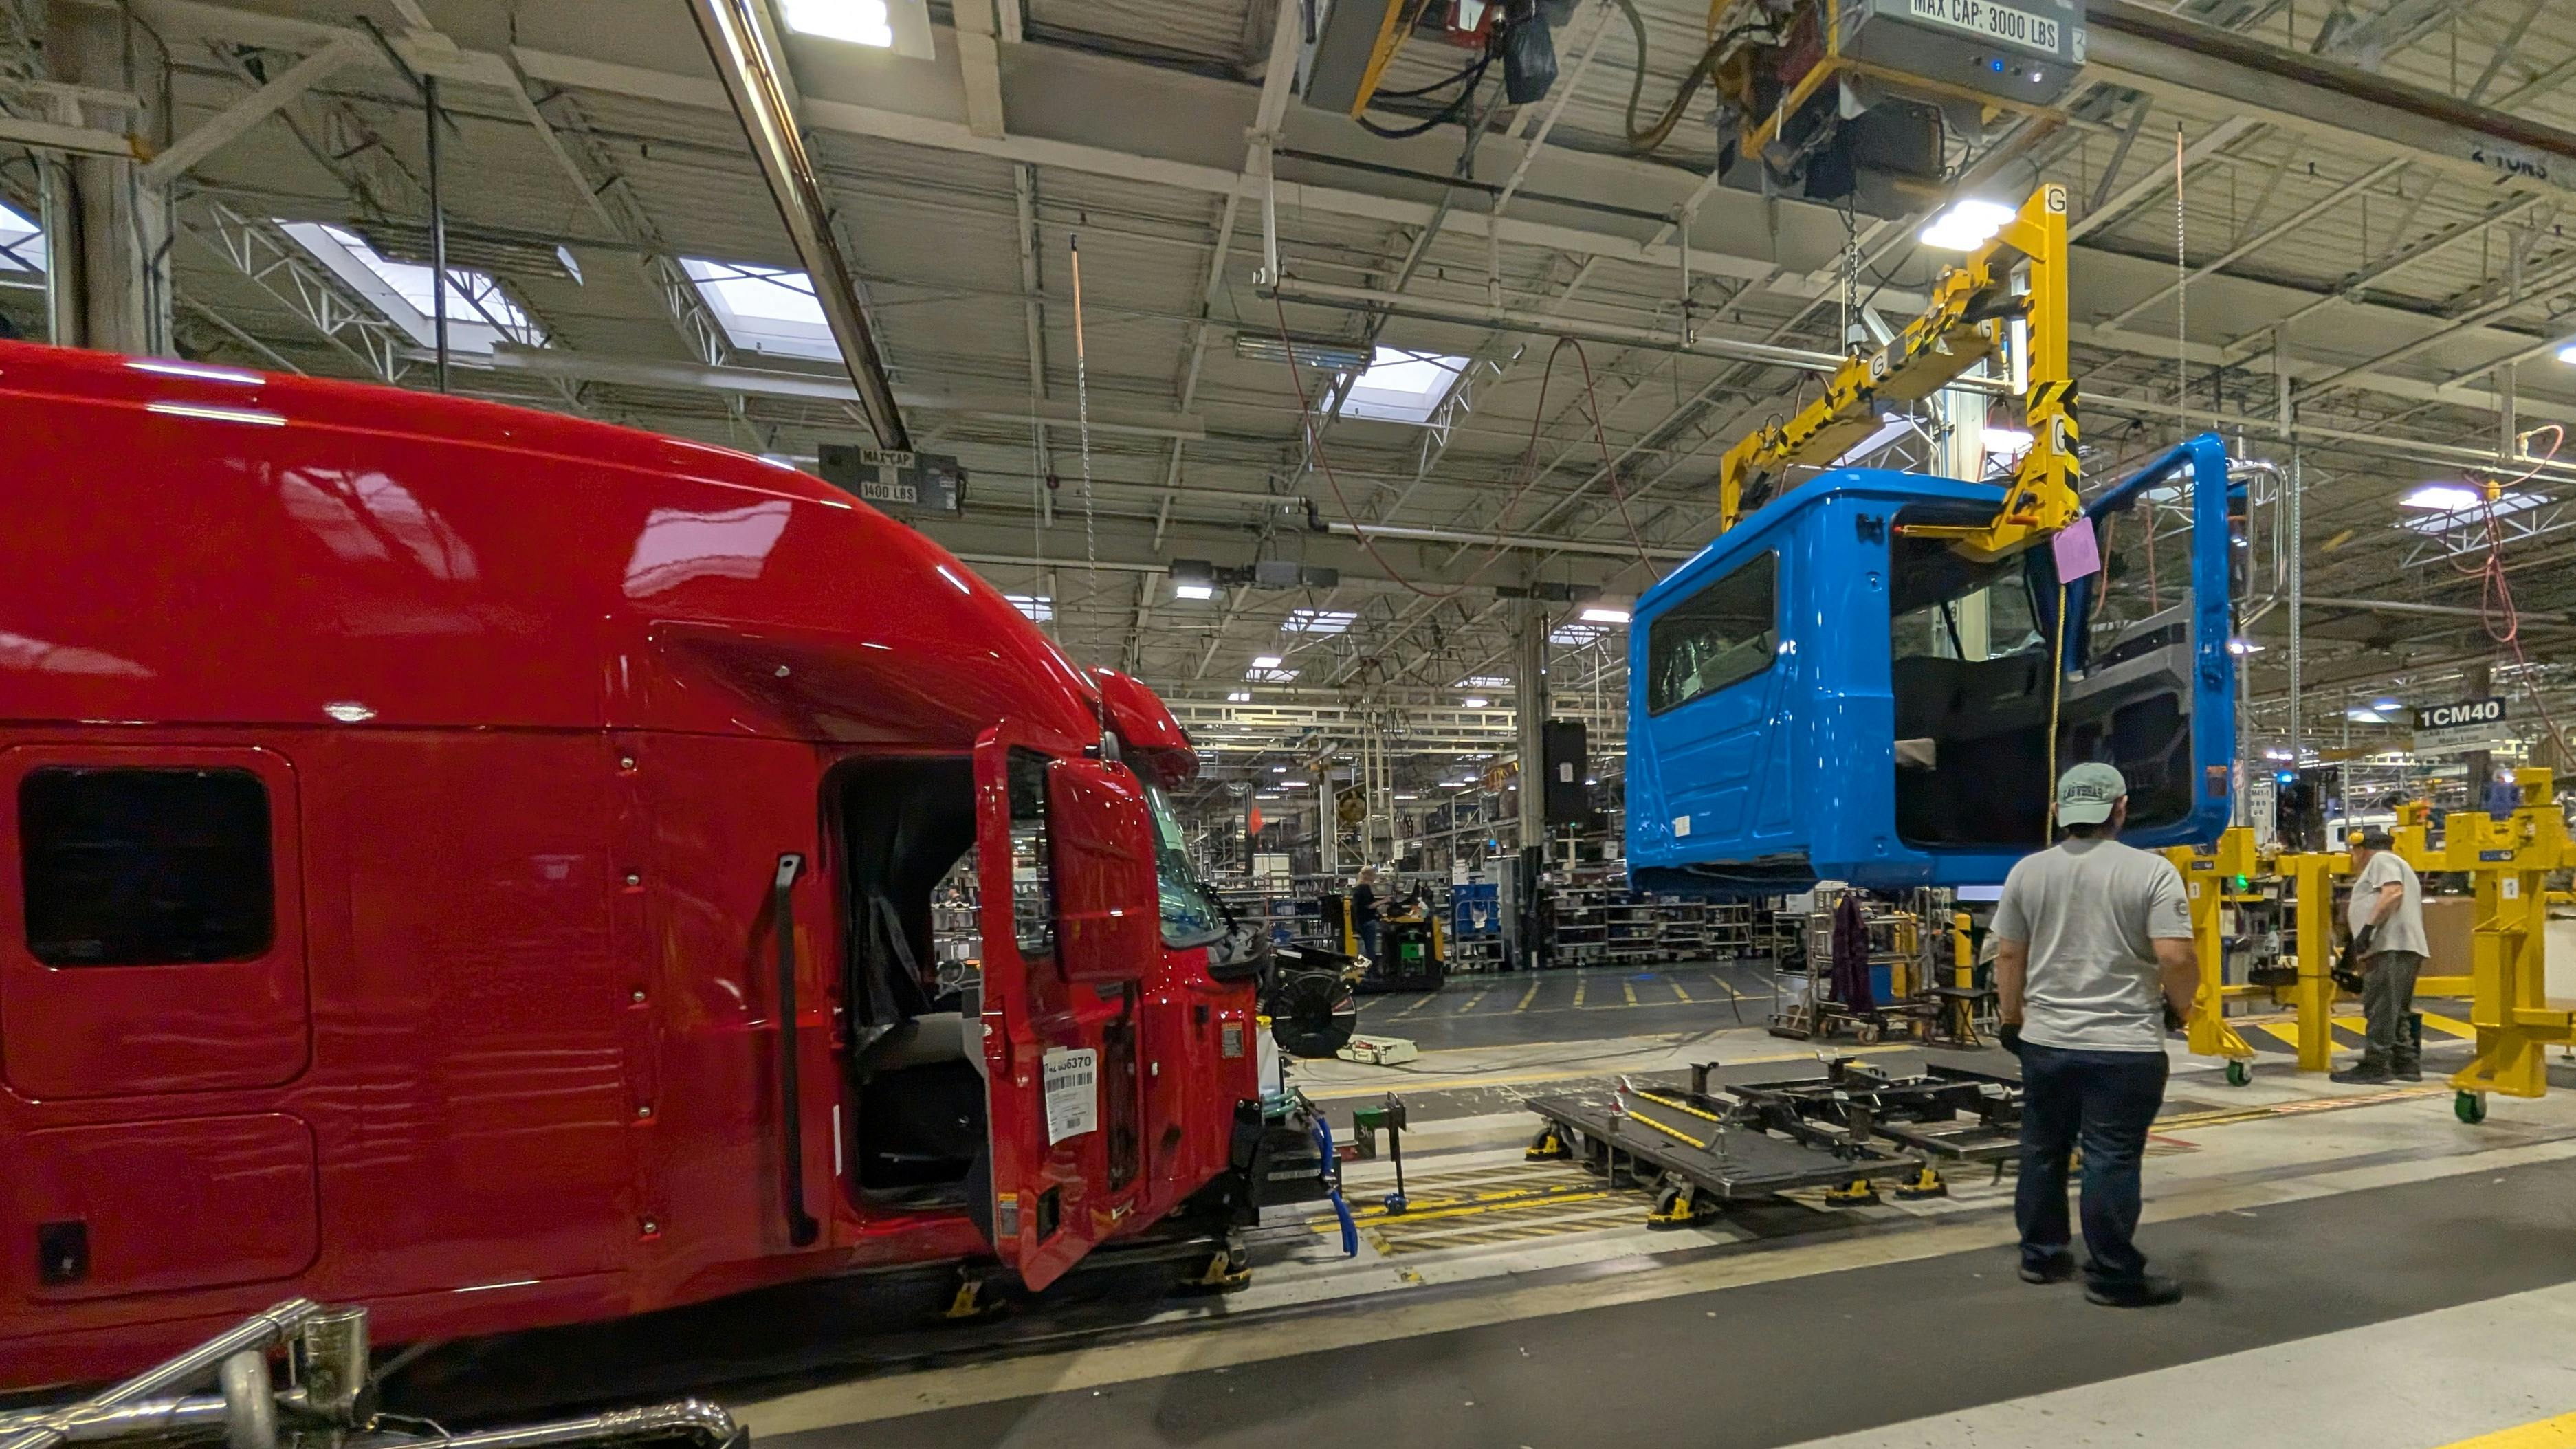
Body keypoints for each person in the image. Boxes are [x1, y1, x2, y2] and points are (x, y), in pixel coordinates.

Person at [1992, 762, 2201, 1308]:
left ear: (2059, 812)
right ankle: (2111, 1275)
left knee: (2042, 1150)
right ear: (2120, 808)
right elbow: (2176, 956)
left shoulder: (2026, 873)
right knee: (2110, 1157)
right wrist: (2182, 1009)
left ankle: (2040, 1257)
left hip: (2047, 1040)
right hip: (2123, 1045)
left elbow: (2009, 955)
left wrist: (2010, 1019)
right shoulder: (2151, 872)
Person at [2335, 826, 2428, 1084]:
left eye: (2353, 851)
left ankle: (2376, 1064)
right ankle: (2406, 1063)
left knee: (2380, 1006)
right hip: (2401, 946)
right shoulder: (2397, 862)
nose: (2352, 857)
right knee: (2396, 1008)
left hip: (2391, 946)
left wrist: (2367, 929)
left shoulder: (2381, 860)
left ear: (2361, 849)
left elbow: (2393, 892)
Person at [1352, 865, 1381, 964]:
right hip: (1368, 921)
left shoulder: (1358, 887)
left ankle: (1368, 970)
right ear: (1370, 876)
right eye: (1374, 874)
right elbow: (1369, 906)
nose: (1376, 876)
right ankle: (1372, 971)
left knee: (1367, 947)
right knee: (1370, 948)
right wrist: (1384, 901)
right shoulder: (1365, 888)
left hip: (1361, 921)